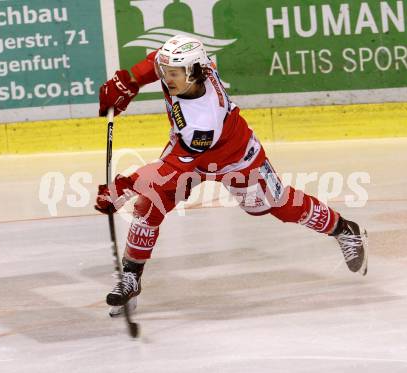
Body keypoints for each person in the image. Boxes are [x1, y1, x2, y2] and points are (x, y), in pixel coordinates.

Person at [95, 35, 368, 314]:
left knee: (280, 206)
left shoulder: (204, 120)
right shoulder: (188, 71)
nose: (166, 78)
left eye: (172, 73)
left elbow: (174, 168)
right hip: (187, 152)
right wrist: (128, 83)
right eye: (166, 72)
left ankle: (344, 229)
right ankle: (131, 276)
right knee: (150, 204)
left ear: (193, 72)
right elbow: (156, 61)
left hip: (237, 160)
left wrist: (124, 186)